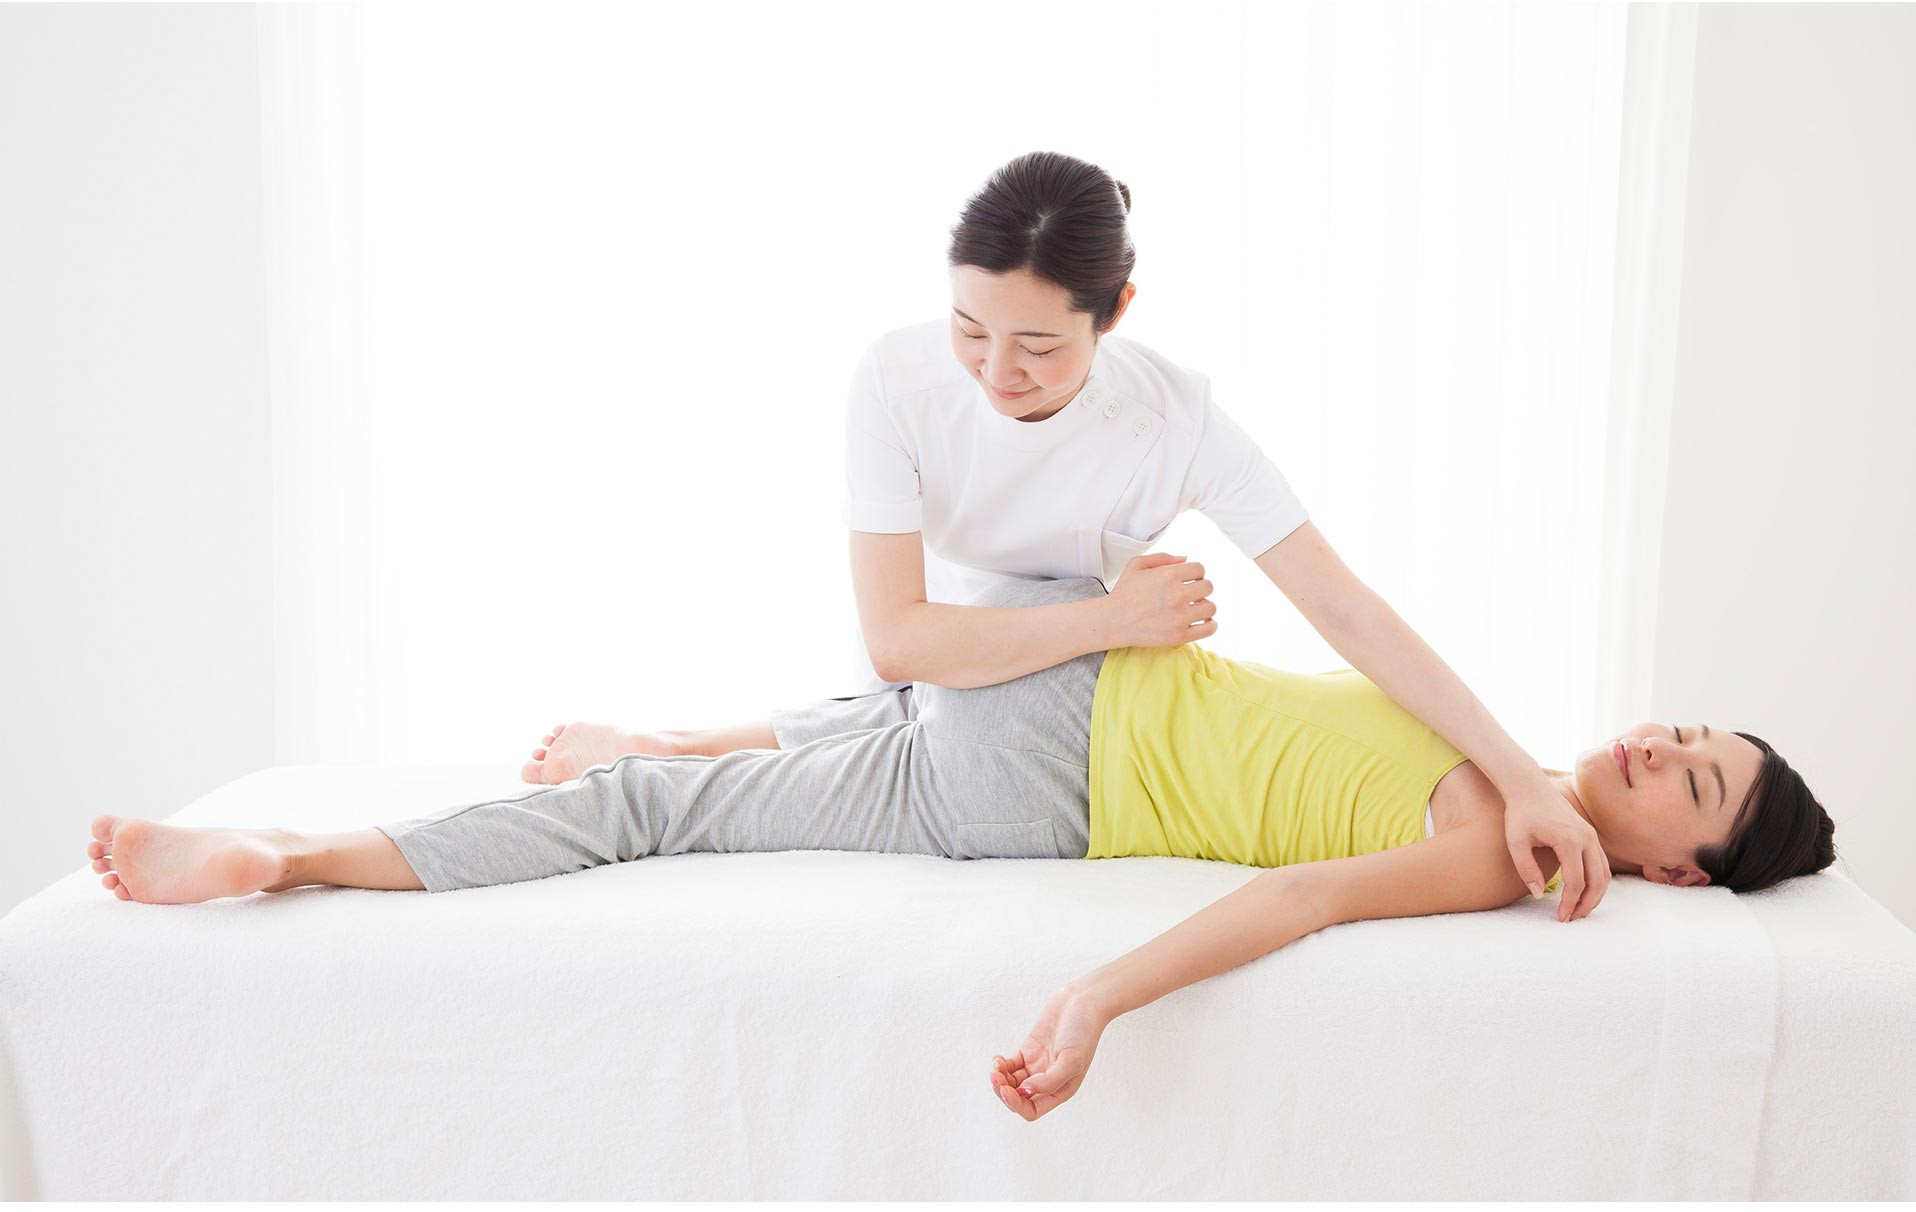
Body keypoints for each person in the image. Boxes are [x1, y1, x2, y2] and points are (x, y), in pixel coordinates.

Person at [83, 576, 1837, 1123]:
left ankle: (295, 857)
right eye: (1686, 728)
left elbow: (1299, 896)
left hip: (1042, 775)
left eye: (1690, 782)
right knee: (821, 719)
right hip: (1057, 692)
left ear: (1677, 874)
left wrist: (1098, 996)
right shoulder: (1510, 762)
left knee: (649, 822)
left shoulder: (1496, 849)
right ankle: (666, 741)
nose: (1662, 744)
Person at [519, 150, 1616, 920]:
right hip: (949, 644)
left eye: (1039, 346)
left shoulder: (1176, 421)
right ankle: (665, 749)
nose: (997, 371)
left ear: (1116, 313)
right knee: (874, 715)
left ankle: (667, 746)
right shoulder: (895, 379)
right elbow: (901, 639)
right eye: (970, 327)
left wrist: (1519, 776)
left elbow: (1343, 607)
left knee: (879, 730)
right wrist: (1117, 618)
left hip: (1060, 693)